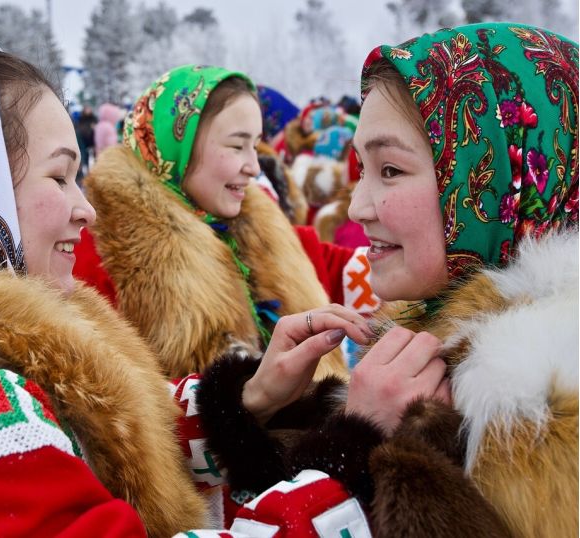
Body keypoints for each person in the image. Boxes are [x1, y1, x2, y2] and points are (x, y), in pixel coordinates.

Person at [0, 42, 375, 538]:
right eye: (58, 175)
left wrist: (248, 399)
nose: (83, 207)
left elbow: (76, 429)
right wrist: (349, 484)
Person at [195, 22, 577, 537]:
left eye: (391, 170)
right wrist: (262, 413)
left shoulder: (539, 413)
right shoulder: (433, 351)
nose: (356, 205)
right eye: (361, 168)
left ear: (495, 181)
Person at [74, 65, 359, 379]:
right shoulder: (100, 253)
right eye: (237, 146)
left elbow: (339, 263)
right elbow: (112, 404)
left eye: (255, 145)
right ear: (180, 145)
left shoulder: (257, 229)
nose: (253, 166)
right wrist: (249, 399)